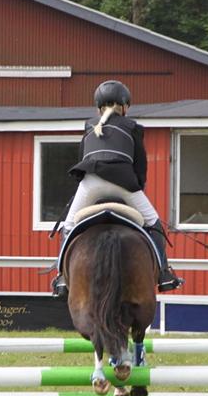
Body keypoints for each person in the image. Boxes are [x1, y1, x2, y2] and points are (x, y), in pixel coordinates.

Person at [51, 80, 183, 298]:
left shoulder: (89, 127)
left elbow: (82, 162)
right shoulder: (132, 127)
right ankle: (164, 274)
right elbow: (140, 167)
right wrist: (136, 187)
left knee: (69, 224)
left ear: (98, 107)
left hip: (91, 183)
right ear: (125, 107)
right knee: (152, 220)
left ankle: (62, 278)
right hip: (123, 183)